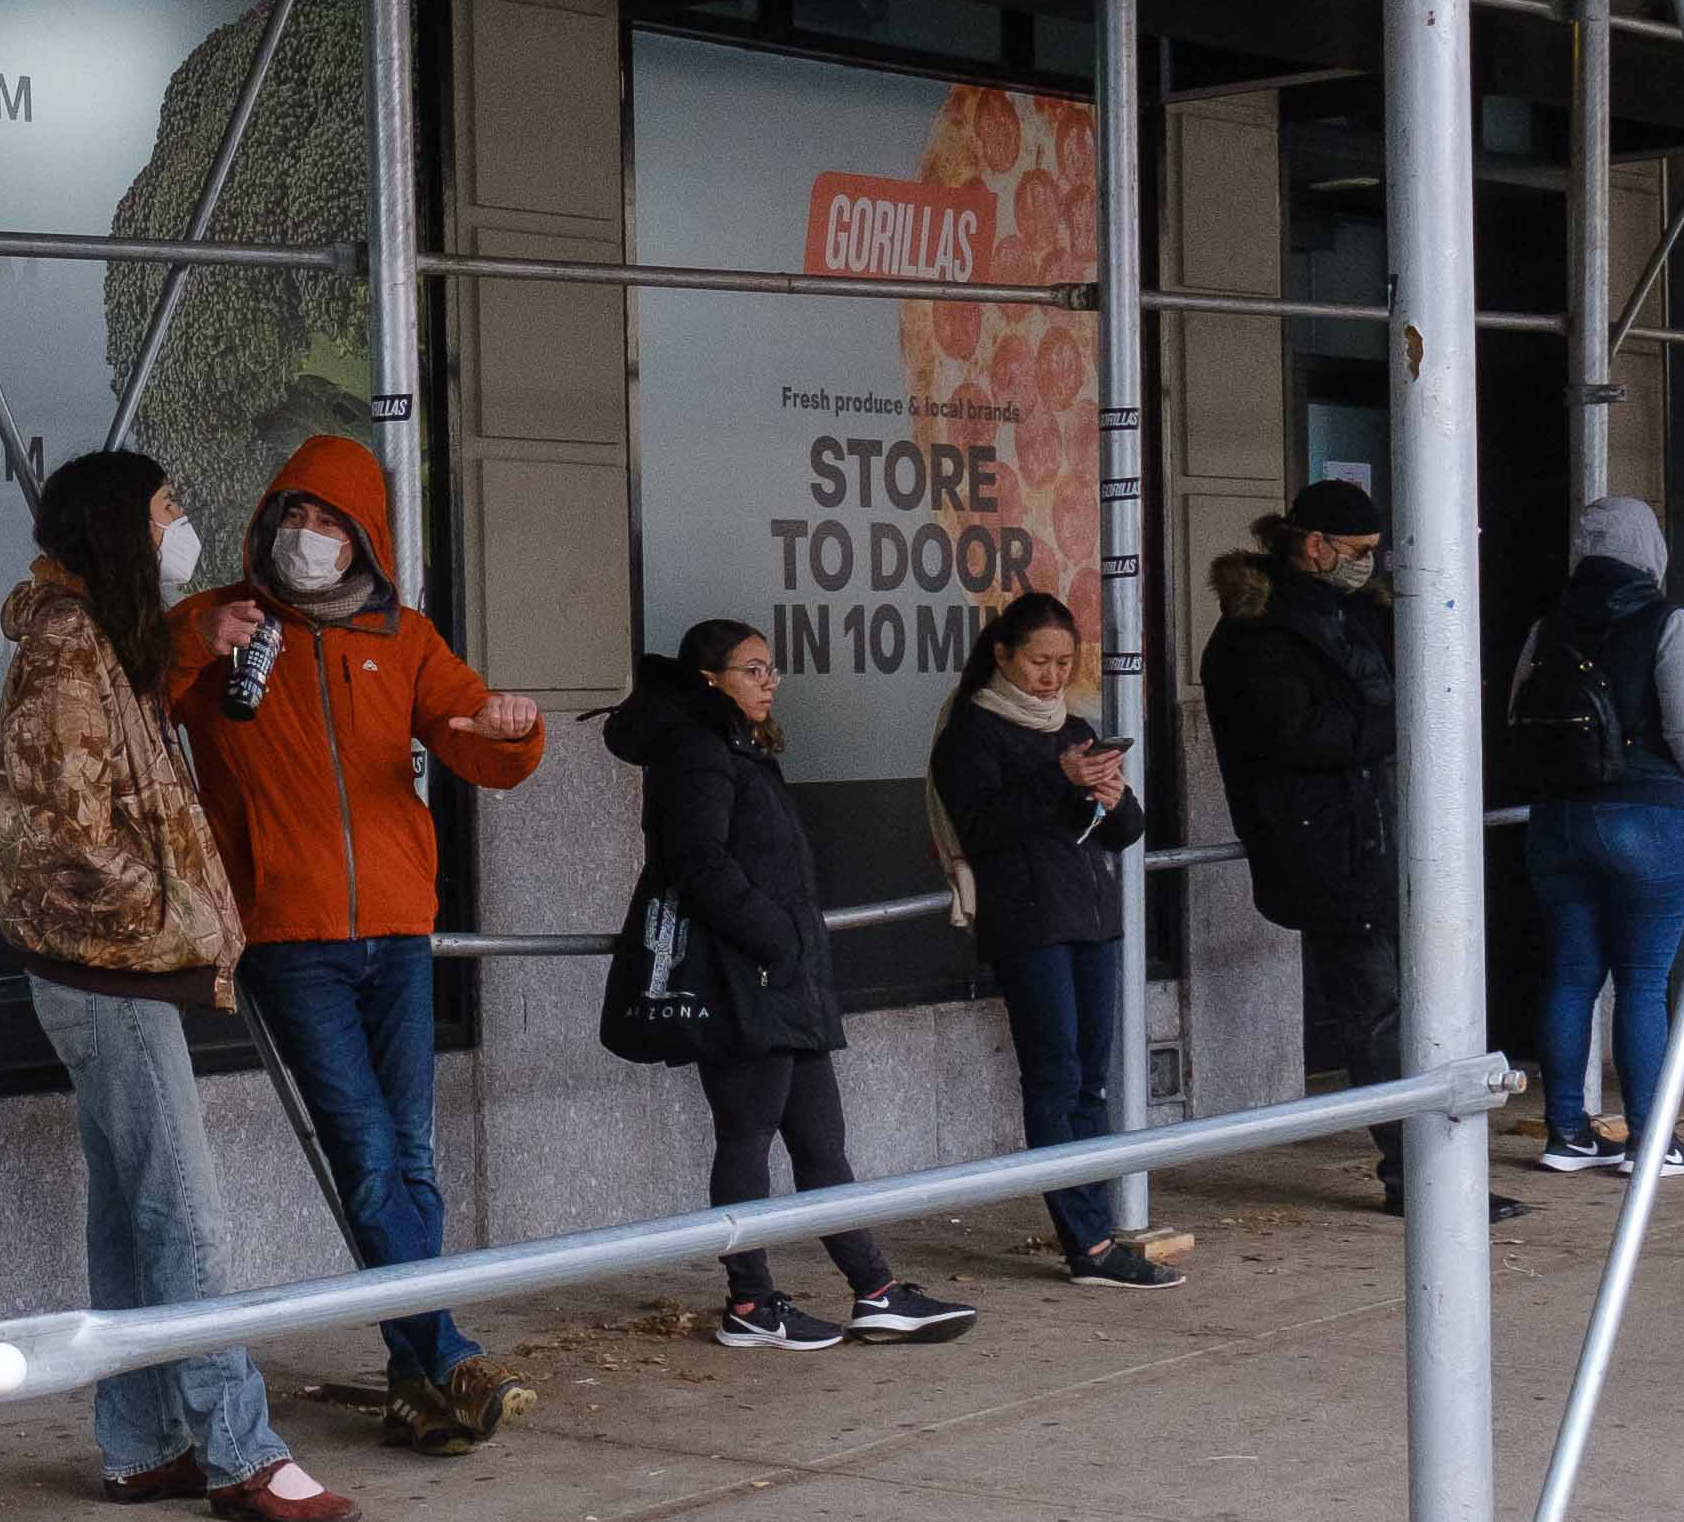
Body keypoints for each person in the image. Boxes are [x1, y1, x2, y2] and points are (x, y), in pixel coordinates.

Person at [0, 451, 349, 1522]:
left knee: (130, 1216)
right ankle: (241, 1449)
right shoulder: (68, 645)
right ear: (119, 525)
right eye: (166, 506)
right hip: (109, 969)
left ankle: (142, 1442)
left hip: (111, 965)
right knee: (183, 1213)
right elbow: (62, 835)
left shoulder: (95, 635)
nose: (181, 522)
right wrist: (181, 916)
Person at [169, 434, 552, 1450]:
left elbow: (475, 739)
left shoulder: (404, 637)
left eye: (331, 521)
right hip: (290, 937)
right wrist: (196, 632)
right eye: (294, 514)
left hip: (398, 929)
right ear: (267, 520)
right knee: (371, 1155)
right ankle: (448, 1349)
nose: (307, 534)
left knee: (411, 1158)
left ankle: (416, 1383)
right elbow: (138, 692)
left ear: (365, 538)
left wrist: (513, 728)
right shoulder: (227, 625)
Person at [612, 617, 972, 1353]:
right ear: (708, 680)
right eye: (751, 670)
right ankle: (749, 1302)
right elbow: (700, 863)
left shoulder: (738, 747)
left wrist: (788, 948)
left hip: (782, 978)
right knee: (747, 1135)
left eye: (770, 668)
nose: (769, 682)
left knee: (820, 1142)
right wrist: (775, 937)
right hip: (744, 978)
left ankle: (873, 1290)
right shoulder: (698, 750)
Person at [1199, 478, 1505, 1219]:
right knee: (1378, 1014)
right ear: (1314, 546)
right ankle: (1418, 1173)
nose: (1370, 563)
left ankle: (1437, 1166)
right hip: (1332, 850)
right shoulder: (1255, 634)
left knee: (1427, 1007)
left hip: (1390, 839)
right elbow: (1296, 736)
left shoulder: (1358, 615)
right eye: (1360, 550)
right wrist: (1407, 722)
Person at [925, 592, 1166, 1287]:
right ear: (1003, 655)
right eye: (1039, 662)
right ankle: (1085, 1241)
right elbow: (983, 828)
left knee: (1091, 1077)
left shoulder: (1076, 727)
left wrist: (1114, 800)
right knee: (1055, 1076)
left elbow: (1125, 832)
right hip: (1028, 923)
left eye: (1063, 663)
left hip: (1091, 915)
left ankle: (1097, 1227)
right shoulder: (971, 731)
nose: (1051, 677)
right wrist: (1057, 781)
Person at [1507, 497, 1684, 1181]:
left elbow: (1515, 716)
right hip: (1646, 815)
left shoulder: (1546, 627)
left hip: (1556, 821)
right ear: (1651, 551)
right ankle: (1650, 1140)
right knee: (1642, 983)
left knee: (1570, 977)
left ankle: (1567, 1132)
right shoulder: (1666, 621)